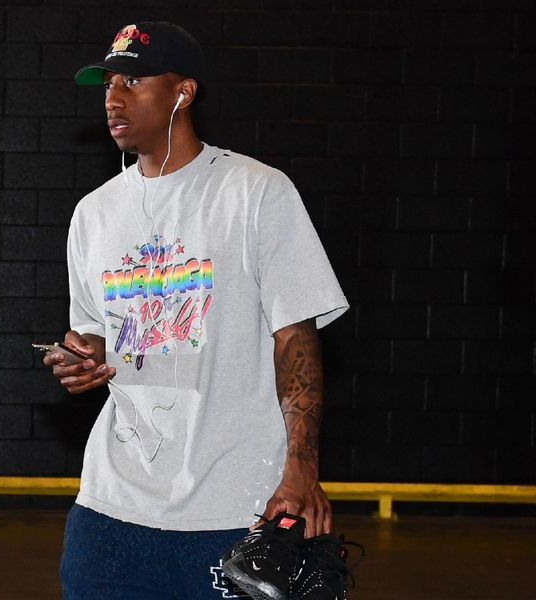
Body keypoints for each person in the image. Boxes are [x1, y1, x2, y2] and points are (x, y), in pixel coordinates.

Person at [42, 21, 349, 600]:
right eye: (108, 83)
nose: (113, 97)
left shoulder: (257, 192)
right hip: (112, 506)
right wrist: (82, 358)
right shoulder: (94, 214)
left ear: (184, 91)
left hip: (236, 503)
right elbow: (95, 332)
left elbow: (297, 339)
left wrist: (302, 467)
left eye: (133, 80)